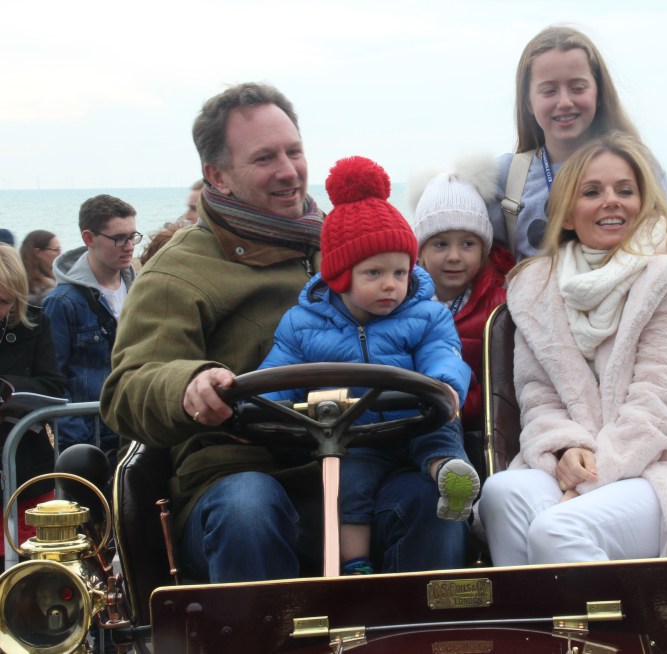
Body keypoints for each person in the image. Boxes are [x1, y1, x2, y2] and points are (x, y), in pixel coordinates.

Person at [101, 82, 468, 584]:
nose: (289, 171)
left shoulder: (349, 243)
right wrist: (189, 382)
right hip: (242, 471)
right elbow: (126, 390)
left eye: (294, 152)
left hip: (368, 457)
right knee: (249, 507)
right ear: (218, 175)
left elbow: (424, 322)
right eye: (264, 158)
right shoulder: (176, 274)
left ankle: (419, 624)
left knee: (431, 500)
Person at [477, 132, 667, 571]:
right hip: (581, 459)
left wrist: (592, 477)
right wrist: (565, 450)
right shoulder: (537, 287)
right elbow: (538, 393)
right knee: (500, 494)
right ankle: (539, 614)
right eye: (592, 192)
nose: (611, 202)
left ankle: (616, 618)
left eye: (625, 190)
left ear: (644, 202)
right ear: (567, 212)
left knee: (558, 528)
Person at [259, 156, 478, 576]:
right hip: (353, 435)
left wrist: (444, 385)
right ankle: (354, 564)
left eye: (400, 271)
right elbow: (278, 371)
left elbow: (442, 352)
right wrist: (261, 404)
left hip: (415, 420)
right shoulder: (303, 325)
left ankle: (448, 473)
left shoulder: (425, 315)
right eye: (374, 273)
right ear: (340, 276)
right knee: (349, 488)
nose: (390, 284)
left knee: (440, 430)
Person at [488, 25, 667, 262]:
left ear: (598, 93)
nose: (564, 102)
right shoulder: (506, 177)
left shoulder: (638, 165)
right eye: (549, 91)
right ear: (528, 102)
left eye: (577, 88)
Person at [410, 158, 514, 433]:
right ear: (420, 252)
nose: (454, 256)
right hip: (410, 426)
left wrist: (454, 407)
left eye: (467, 244)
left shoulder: (500, 307)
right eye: (440, 244)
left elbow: (503, 388)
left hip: (476, 432)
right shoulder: (402, 304)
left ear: (483, 251)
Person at [43, 195, 138, 460]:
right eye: (119, 238)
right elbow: (53, 382)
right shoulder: (62, 303)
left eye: (133, 236)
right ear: (89, 238)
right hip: (90, 438)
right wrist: (79, 441)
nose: (129, 246)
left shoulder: (140, 290)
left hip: (137, 431)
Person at [0, 244, 64, 552]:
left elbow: (53, 387)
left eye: (2, 302)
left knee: (31, 561)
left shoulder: (36, 324)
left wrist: (8, 388)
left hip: (26, 467)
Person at [19, 229, 61, 305]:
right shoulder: (46, 290)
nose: (60, 254)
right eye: (56, 250)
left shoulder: (19, 281)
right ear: (37, 252)